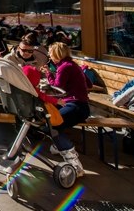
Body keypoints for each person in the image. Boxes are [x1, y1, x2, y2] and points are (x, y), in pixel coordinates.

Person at [42, 42, 89, 177]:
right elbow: (89, 83)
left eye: (50, 53)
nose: (49, 56)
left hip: (75, 106)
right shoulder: (73, 65)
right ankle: (60, 146)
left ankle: (74, 163)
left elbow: (57, 88)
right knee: (52, 120)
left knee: (52, 125)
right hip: (80, 105)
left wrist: (48, 74)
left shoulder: (64, 67)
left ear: (57, 54)